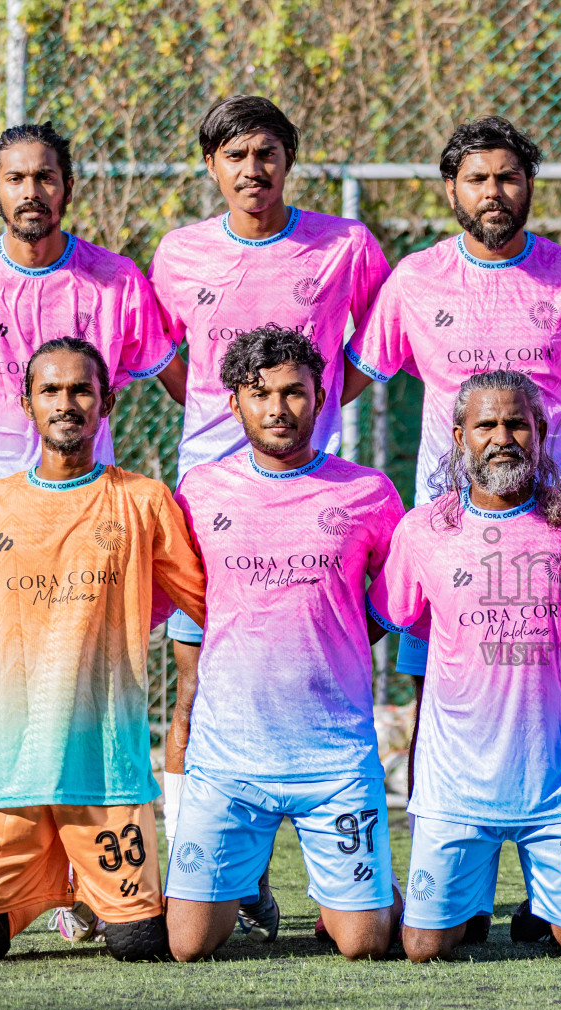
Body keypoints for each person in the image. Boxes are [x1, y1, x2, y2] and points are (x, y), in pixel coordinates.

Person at [344, 115, 561, 934]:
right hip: (446, 533)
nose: (494, 192)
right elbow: (352, 378)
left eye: (508, 177)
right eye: (477, 179)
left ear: (529, 187)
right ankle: (449, 890)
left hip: (555, 530)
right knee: (432, 700)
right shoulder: (415, 280)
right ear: (451, 189)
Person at [0, 122, 176, 945]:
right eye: (14, 178)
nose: (30, 192)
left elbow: (175, 383)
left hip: (91, 524)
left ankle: (76, 882)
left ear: (67, 185)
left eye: (45, 177)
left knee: (87, 696)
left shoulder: (115, 281)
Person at [149, 94, 392, 942]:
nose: (252, 169)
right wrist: (218, 439)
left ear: (289, 160)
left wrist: (318, 408)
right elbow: (167, 361)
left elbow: (382, 337)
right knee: (194, 686)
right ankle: (211, 867)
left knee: (316, 659)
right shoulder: (178, 254)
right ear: (212, 165)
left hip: (311, 496)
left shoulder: (345, 245)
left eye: (266, 153)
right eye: (234, 155)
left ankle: (344, 873)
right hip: (213, 506)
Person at [0, 338, 206, 962]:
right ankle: (54, 889)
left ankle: (101, 895)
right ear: (26, 403)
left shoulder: (142, 500)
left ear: (108, 402)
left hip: (104, 770)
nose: (66, 402)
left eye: (80, 390)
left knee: (140, 944)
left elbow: (209, 604)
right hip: (5, 772)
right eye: (50, 390)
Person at [164, 327, 405, 960]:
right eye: (260, 393)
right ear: (234, 403)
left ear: (321, 396)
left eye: (294, 392)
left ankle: (378, 891)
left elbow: (401, 589)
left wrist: (350, 633)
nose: (278, 408)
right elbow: (190, 599)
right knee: (188, 947)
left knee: (365, 946)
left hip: (333, 757)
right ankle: (249, 888)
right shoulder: (200, 491)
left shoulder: (368, 492)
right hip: (229, 759)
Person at [367, 369, 561, 963]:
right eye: (487, 424)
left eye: (516, 423)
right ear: (459, 437)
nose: (503, 436)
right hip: (457, 785)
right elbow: (380, 620)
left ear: (541, 431)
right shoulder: (424, 530)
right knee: (424, 949)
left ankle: (547, 903)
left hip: (556, 782)